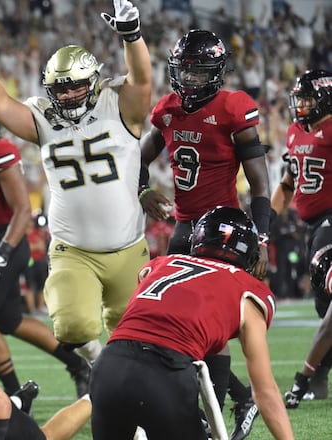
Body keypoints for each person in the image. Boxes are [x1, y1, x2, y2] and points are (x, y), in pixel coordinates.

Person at [0, 0, 152, 364]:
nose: (68, 95)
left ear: (93, 81)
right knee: (73, 327)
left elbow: (142, 78)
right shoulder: (43, 118)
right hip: (73, 248)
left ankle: (131, 392)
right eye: (60, 89)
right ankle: (95, 360)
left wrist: (132, 36)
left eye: (76, 87)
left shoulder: (119, 103)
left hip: (128, 245)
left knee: (139, 339)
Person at [137, 29, 272, 437]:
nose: (190, 80)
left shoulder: (233, 108)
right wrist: (142, 190)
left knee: (209, 322)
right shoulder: (168, 110)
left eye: (199, 73)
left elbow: (261, 185)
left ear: (216, 73)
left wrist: (261, 238)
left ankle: (212, 413)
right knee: (174, 322)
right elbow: (136, 159)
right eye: (185, 72)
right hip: (184, 226)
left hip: (223, 230)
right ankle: (237, 397)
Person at [90, 206, 294, 440]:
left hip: (109, 366)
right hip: (164, 374)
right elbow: (265, 390)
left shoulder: (159, 265)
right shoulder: (248, 290)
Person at [0, 94, 90, 398]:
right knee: (7, 320)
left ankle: (8, 395)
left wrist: (2, 252)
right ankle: (78, 365)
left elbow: (22, 210)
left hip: (5, 239)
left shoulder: (0, 151)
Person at [273, 69, 332, 405]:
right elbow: (288, 180)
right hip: (312, 226)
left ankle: (308, 376)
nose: (301, 105)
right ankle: (320, 376)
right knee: (324, 307)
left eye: (308, 98)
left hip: (330, 222)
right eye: (300, 98)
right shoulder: (296, 132)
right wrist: (265, 225)